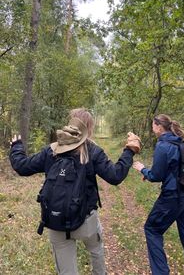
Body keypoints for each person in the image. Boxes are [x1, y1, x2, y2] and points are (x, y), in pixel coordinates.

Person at [9, 108, 141, 275]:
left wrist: (16, 146)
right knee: (96, 249)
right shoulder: (93, 151)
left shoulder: (51, 150)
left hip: (56, 221)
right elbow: (115, 176)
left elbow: (22, 166)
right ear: (90, 129)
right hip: (87, 221)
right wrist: (129, 151)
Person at [133, 114, 184, 275]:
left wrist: (142, 169)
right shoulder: (180, 142)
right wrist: (151, 173)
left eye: (153, 125)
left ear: (159, 126)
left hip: (172, 198)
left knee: (152, 229)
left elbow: (156, 176)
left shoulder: (163, 145)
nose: (152, 129)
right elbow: (173, 170)